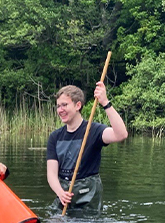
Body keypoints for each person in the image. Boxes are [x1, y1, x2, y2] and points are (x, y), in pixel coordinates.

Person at [46, 81, 128, 212]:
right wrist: (60, 193)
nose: (60, 110)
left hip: (89, 198)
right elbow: (51, 174)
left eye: (64, 105)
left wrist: (105, 103)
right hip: (63, 195)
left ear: (78, 105)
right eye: (58, 106)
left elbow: (121, 134)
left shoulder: (94, 130)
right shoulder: (54, 137)